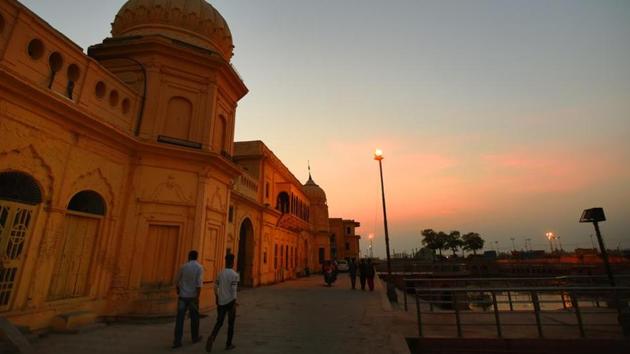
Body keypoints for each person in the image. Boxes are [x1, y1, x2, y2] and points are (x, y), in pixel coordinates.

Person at [206, 253, 239, 352]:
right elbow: (234, 290)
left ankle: (212, 336)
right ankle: (228, 344)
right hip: (230, 302)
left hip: (221, 301)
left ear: (225, 262)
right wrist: (234, 302)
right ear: (233, 262)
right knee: (231, 324)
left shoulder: (220, 273)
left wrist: (217, 297)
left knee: (219, 322)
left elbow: (216, 287)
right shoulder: (235, 275)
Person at [173, 250, 204, 349]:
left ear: (189, 256)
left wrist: (178, 290)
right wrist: (197, 297)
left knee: (180, 319)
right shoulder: (199, 267)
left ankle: (177, 341)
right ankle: (195, 337)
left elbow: (176, 280)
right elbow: (199, 284)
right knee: (194, 318)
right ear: (196, 257)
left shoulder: (183, 266)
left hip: (183, 296)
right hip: (193, 297)